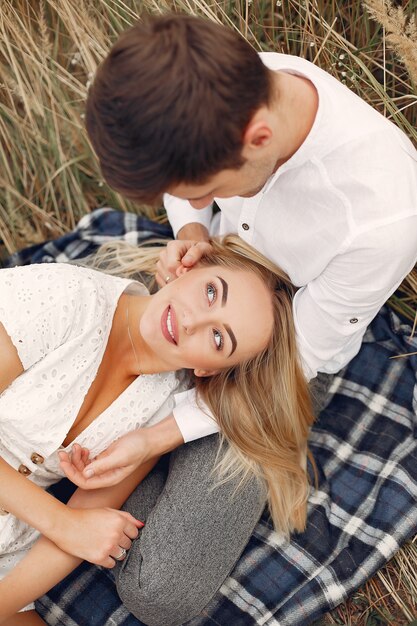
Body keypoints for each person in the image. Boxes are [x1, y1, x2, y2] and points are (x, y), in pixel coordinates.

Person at [56, 12, 417, 625]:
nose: (192, 199)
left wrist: (161, 434)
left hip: (280, 360)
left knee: (160, 593)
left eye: (201, 188)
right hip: (195, 289)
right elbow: (184, 196)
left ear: (256, 137)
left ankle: (117, 467)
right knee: (50, 371)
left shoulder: (386, 215)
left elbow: (307, 353)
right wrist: (194, 229)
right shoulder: (219, 86)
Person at [0, 235, 314, 624]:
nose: (191, 321)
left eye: (218, 338)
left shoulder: (164, 408)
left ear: (209, 370)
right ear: (190, 267)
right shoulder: (67, 298)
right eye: (211, 293)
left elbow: (86, 526)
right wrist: (63, 523)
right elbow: (73, 528)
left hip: (10, 544)